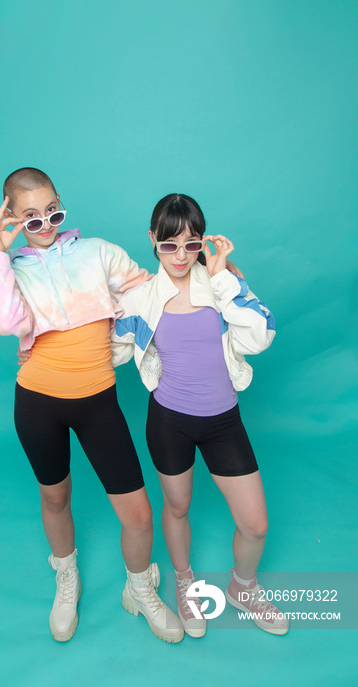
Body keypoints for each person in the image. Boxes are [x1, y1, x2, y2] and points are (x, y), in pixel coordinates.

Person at [0, 168, 184, 643]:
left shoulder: (98, 252)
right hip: (37, 401)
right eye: (29, 215)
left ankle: (139, 589)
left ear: (60, 203)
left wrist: (210, 278)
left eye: (51, 209)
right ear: (11, 217)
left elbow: (150, 289)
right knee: (55, 496)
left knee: (138, 513)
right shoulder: (13, 268)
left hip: (97, 401)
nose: (45, 221)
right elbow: (7, 318)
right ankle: (66, 577)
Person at [111, 193, 289, 638]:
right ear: (152, 240)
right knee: (178, 506)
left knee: (256, 524)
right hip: (169, 420)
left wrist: (224, 277)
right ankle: (185, 583)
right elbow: (107, 351)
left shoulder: (221, 284)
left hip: (223, 421)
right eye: (169, 244)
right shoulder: (141, 298)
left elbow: (260, 336)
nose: (179, 255)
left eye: (191, 244)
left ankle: (242, 587)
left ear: (203, 244)